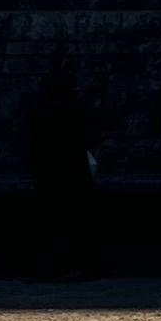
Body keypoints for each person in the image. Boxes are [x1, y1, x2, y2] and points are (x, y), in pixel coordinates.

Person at [21, 63, 103, 278]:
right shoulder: (75, 110)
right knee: (73, 220)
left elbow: (31, 140)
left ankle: (47, 266)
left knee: (50, 221)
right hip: (72, 171)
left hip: (49, 172)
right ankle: (74, 265)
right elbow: (90, 137)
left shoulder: (41, 110)